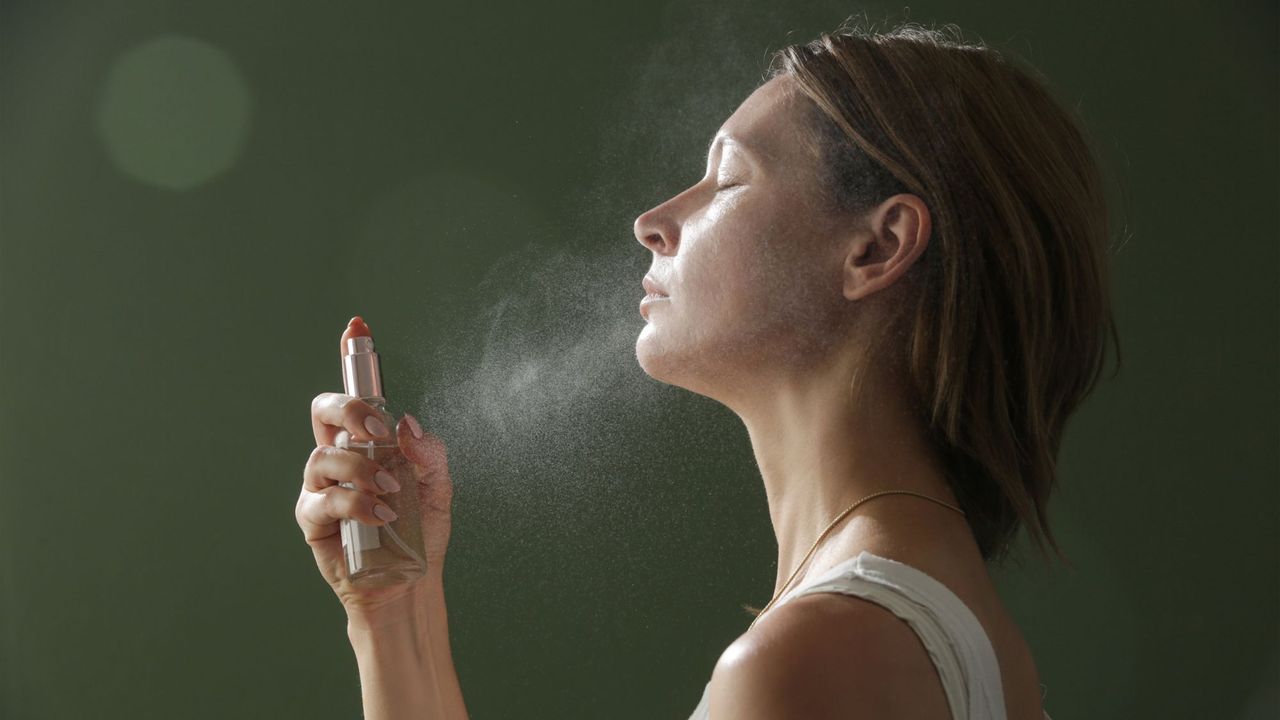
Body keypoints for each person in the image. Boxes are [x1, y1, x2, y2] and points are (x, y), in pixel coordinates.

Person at [295, 20, 1120, 720]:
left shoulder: (810, 658)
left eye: (727, 179)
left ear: (875, 247)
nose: (653, 222)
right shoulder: (943, 626)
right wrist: (393, 608)